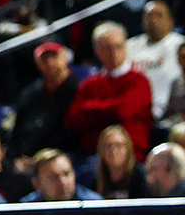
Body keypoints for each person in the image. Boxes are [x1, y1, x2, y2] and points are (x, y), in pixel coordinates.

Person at [65, 21, 154, 155]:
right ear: (97, 51)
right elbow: (72, 120)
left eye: (118, 46)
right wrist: (110, 109)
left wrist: (90, 107)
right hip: (93, 153)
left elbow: (122, 111)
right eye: (107, 47)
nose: (114, 52)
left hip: (130, 155)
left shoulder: (139, 80)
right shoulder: (90, 84)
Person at [9, 42, 82, 164]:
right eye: (44, 59)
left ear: (65, 58)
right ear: (38, 64)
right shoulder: (30, 93)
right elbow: (18, 130)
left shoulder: (79, 89)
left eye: (54, 57)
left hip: (66, 155)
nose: (49, 63)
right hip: (28, 157)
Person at [125, 0, 185, 121]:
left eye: (159, 15)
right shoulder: (129, 46)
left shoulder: (181, 44)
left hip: (168, 108)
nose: (153, 20)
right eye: (149, 15)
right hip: (134, 107)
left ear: (170, 21)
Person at [77, 124, 148, 199]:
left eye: (118, 146)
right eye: (109, 146)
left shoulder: (141, 177)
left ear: (128, 149)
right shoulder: (94, 179)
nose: (113, 151)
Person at [21, 149, 101, 203]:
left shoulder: (93, 204)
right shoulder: (27, 208)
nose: (63, 182)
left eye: (67, 174)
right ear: (37, 184)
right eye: (54, 177)